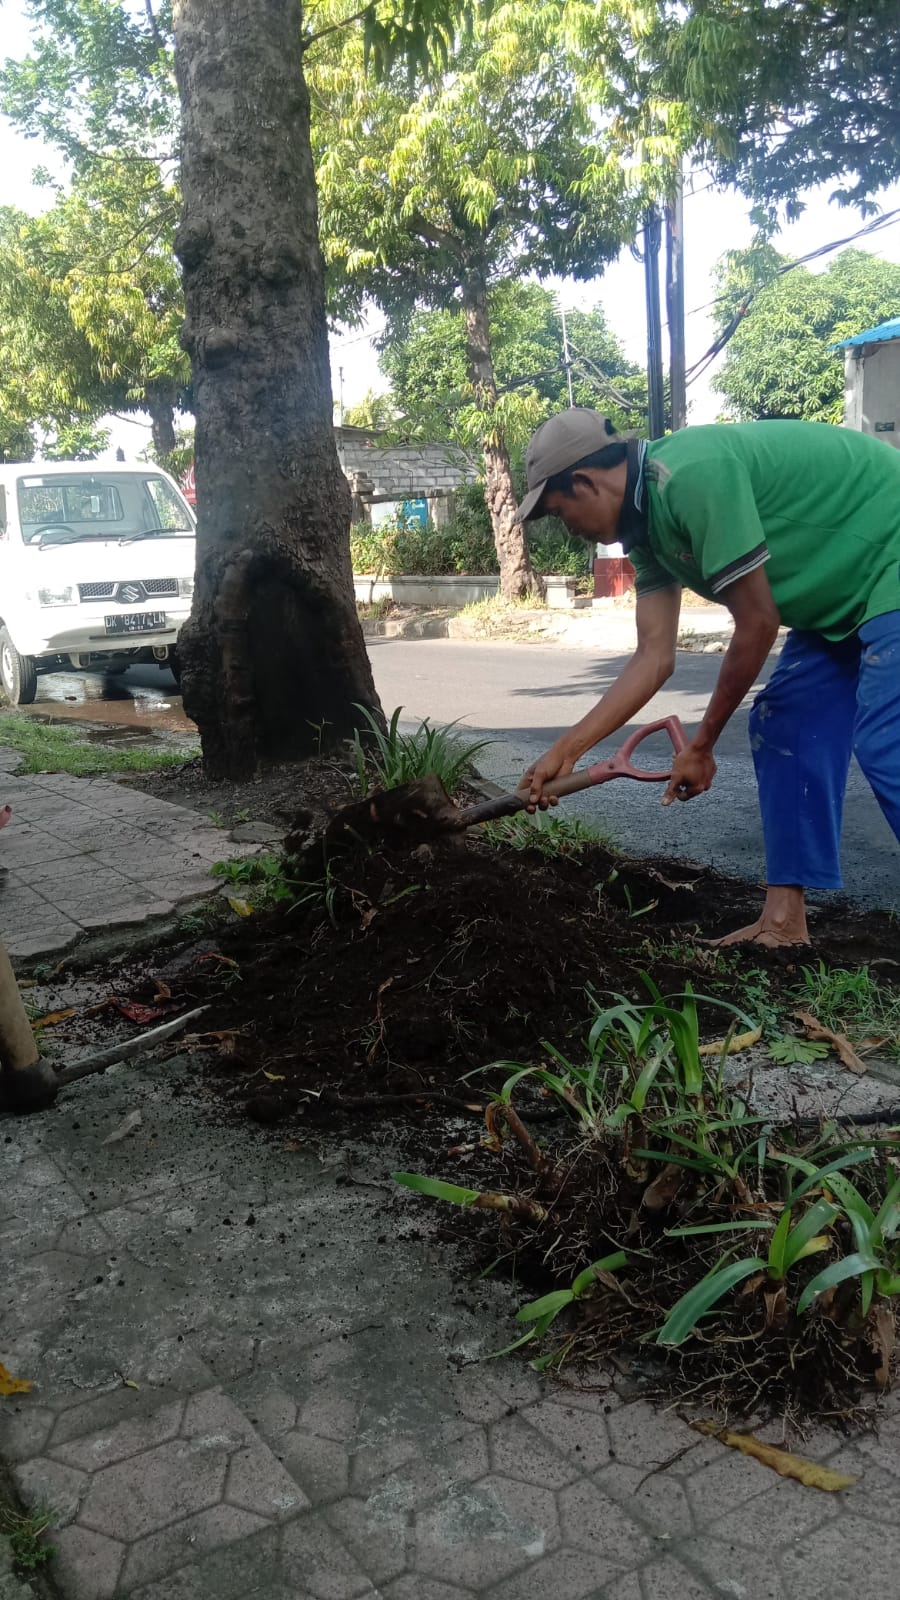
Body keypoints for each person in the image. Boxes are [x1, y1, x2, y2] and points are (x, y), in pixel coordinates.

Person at [516, 408, 900, 947]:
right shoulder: (647, 533)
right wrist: (569, 748)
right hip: (846, 595)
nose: (569, 530)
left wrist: (702, 743)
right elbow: (653, 655)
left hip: (890, 553)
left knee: (889, 740)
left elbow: (758, 623)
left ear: (585, 481)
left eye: (560, 512)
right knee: (784, 722)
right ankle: (784, 923)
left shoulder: (690, 475)